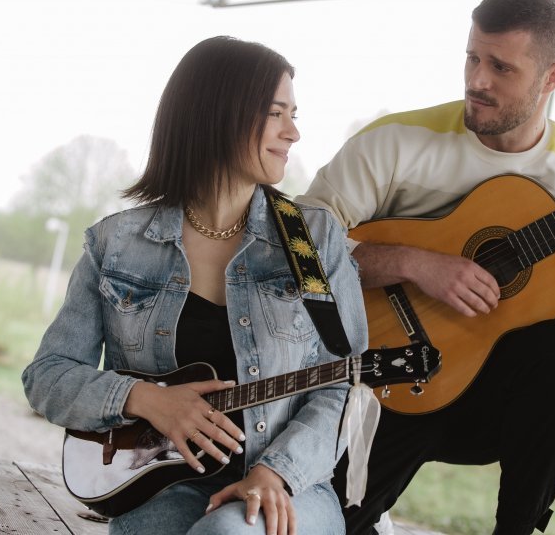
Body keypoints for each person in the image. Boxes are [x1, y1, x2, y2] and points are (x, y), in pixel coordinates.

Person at [298, 0, 555, 535]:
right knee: (323, 524)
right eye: (472, 57)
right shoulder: (397, 141)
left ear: (552, 78)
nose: (477, 80)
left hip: (494, 406)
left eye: (500, 67)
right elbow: (298, 246)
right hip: (379, 379)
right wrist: (416, 263)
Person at [22, 36, 368, 535]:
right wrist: (144, 399)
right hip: (158, 488)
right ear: (219, 114)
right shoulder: (117, 244)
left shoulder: (311, 241)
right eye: (276, 113)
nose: (293, 132)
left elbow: (343, 382)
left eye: (294, 114)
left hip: (289, 485)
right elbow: (47, 377)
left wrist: (276, 473)